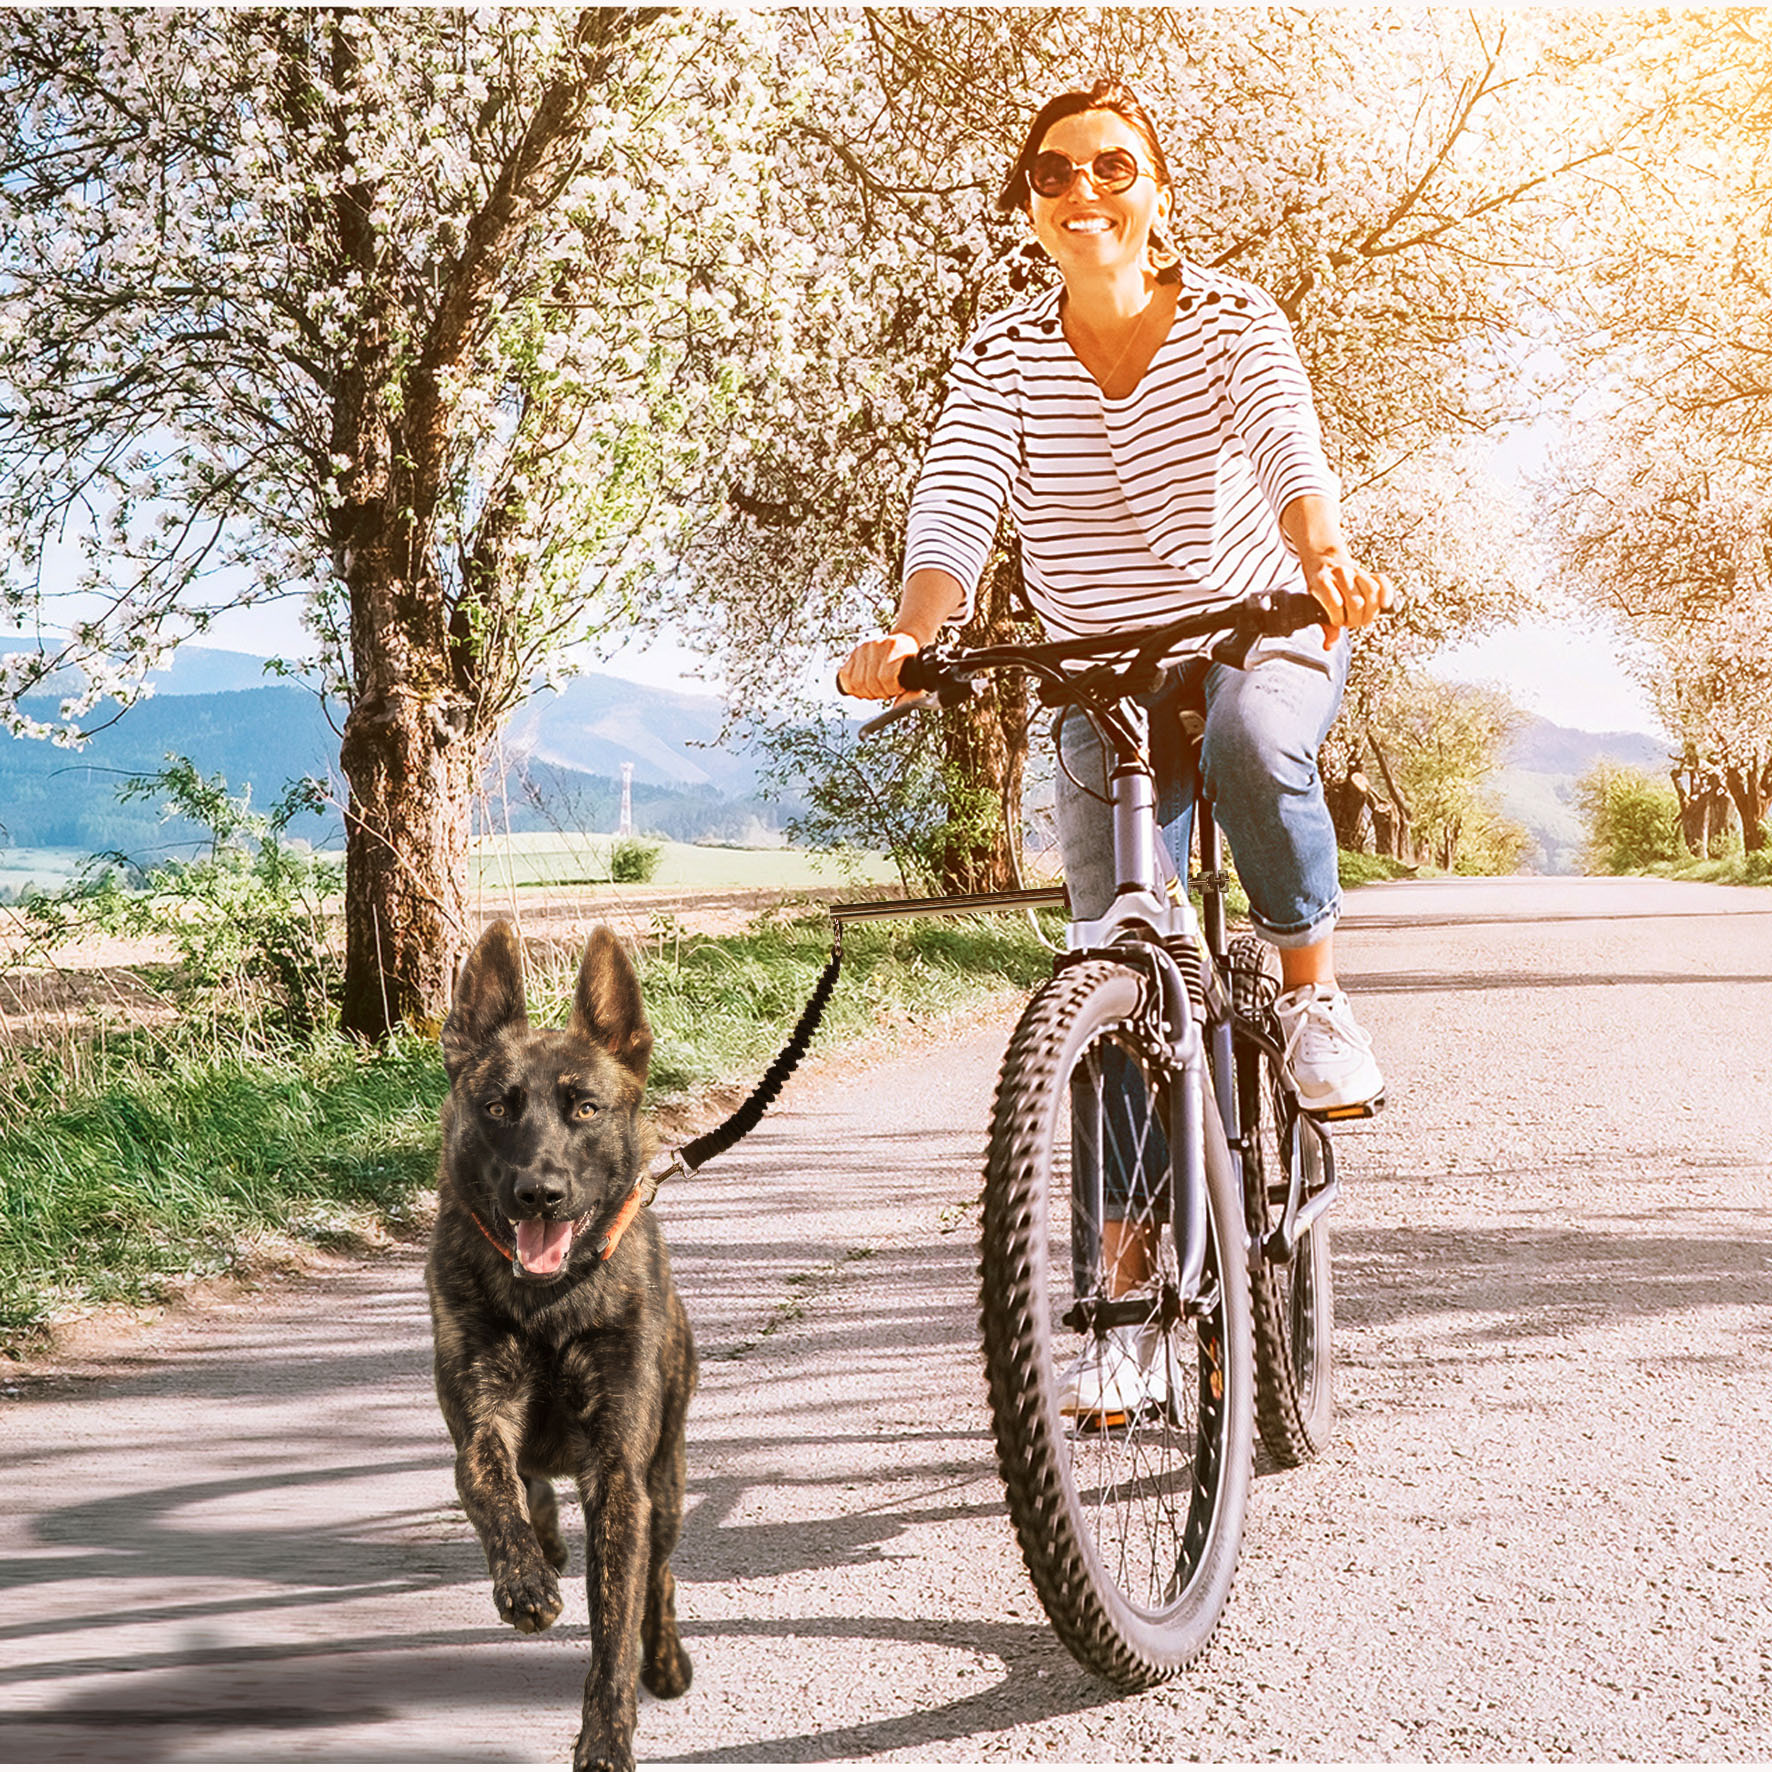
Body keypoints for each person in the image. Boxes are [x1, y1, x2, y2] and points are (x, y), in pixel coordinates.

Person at [839, 80, 1393, 1415]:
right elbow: (960, 493)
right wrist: (916, 635)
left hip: (1261, 625)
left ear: (1157, 187)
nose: (1082, 189)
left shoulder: (1232, 316)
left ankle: (1312, 996)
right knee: (1114, 991)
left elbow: (1280, 440)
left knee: (1263, 744)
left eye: (1112, 166)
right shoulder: (1004, 351)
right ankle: (1131, 1308)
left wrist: (1322, 556)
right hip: (1102, 677)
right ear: (1029, 205)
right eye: (1052, 172)